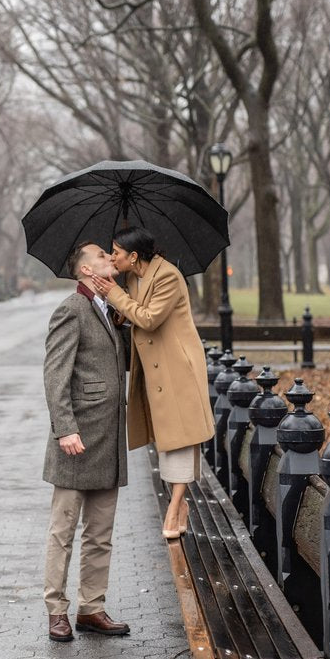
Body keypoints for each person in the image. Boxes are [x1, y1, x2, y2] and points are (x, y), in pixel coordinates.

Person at [89, 226, 214, 539]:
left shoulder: (168, 276)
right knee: (167, 437)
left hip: (178, 365)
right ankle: (178, 502)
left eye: (115, 252)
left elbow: (149, 318)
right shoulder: (134, 276)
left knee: (182, 435)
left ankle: (175, 505)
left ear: (133, 256)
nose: (112, 257)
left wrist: (114, 294)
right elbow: (130, 314)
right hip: (154, 367)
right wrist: (115, 298)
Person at [41, 241, 130, 643]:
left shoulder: (110, 310)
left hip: (108, 438)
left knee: (100, 532)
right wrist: (65, 428)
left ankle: (91, 608)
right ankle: (56, 610)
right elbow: (55, 374)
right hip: (77, 440)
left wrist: (123, 321)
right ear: (83, 270)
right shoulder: (70, 310)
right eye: (101, 256)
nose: (110, 259)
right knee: (63, 530)